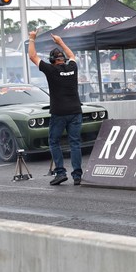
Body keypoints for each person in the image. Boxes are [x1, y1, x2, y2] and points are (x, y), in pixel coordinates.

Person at [28, 30, 83, 186]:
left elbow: (32, 56)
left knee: (54, 142)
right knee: (75, 143)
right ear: (63, 60)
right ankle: (77, 175)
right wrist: (60, 42)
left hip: (59, 113)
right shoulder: (73, 67)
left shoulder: (51, 70)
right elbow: (72, 55)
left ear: (52, 61)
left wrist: (32, 38)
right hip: (75, 111)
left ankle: (60, 173)